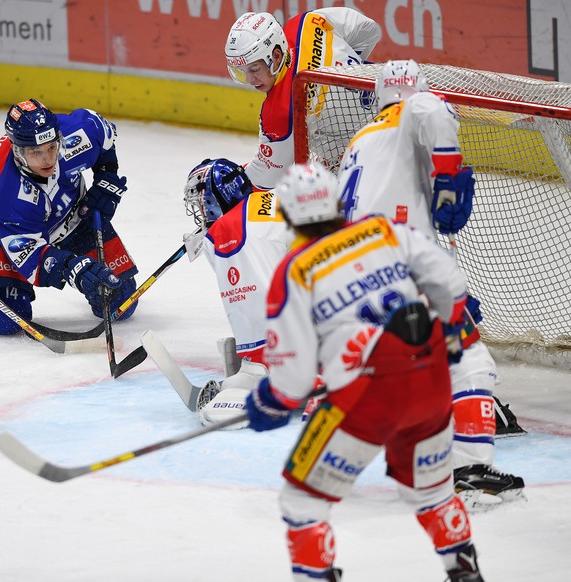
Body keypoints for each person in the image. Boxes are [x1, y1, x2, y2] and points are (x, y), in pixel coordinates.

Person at [245, 162, 485, 582]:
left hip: (367, 397)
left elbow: (296, 377)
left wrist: (271, 400)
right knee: (432, 492)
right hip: (430, 379)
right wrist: (448, 328)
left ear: (288, 216)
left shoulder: (295, 270)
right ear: (337, 203)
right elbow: (448, 278)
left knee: (302, 501)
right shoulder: (382, 229)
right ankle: (466, 574)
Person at [336, 59, 525, 510]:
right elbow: (430, 110)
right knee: (471, 359)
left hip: (350, 280)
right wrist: (447, 174)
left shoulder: (358, 143)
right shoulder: (413, 110)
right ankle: (467, 474)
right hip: (395, 267)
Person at [0, 99, 138, 334]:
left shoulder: (77, 134)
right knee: (6, 321)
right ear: (17, 151)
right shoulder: (4, 192)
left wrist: (106, 176)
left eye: (51, 148)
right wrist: (73, 267)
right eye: (36, 152)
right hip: (10, 231)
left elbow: (104, 134)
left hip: (74, 215)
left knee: (121, 302)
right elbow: (31, 257)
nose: (48, 159)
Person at [181, 158, 294, 427]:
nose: (201, 211)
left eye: (202, 202)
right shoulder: (271, 198)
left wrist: (257, 363)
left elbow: (253, 291)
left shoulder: (229, 229)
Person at [225, 9, 381, 190]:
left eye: (254, 69)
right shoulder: (305, 23)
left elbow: (264, 180)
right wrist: (348, 72)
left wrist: (230, 181)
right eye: (242, 72)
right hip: (398, 102)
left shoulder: (280, 111)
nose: (250, 80)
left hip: (371, 158)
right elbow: (368, 30)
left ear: (276, 56)